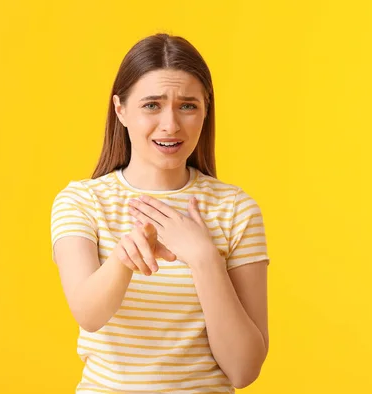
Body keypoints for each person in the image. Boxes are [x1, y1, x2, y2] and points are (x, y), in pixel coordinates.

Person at [50, 33, 270, 393]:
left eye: (187, 106)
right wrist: (123, 259)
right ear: (120, 110)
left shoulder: (235, 209)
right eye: (152, 105)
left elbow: (244, 370)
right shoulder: (82, 201)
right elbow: (89, 316)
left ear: (205, 110)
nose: (170, 125)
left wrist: (204, 258)